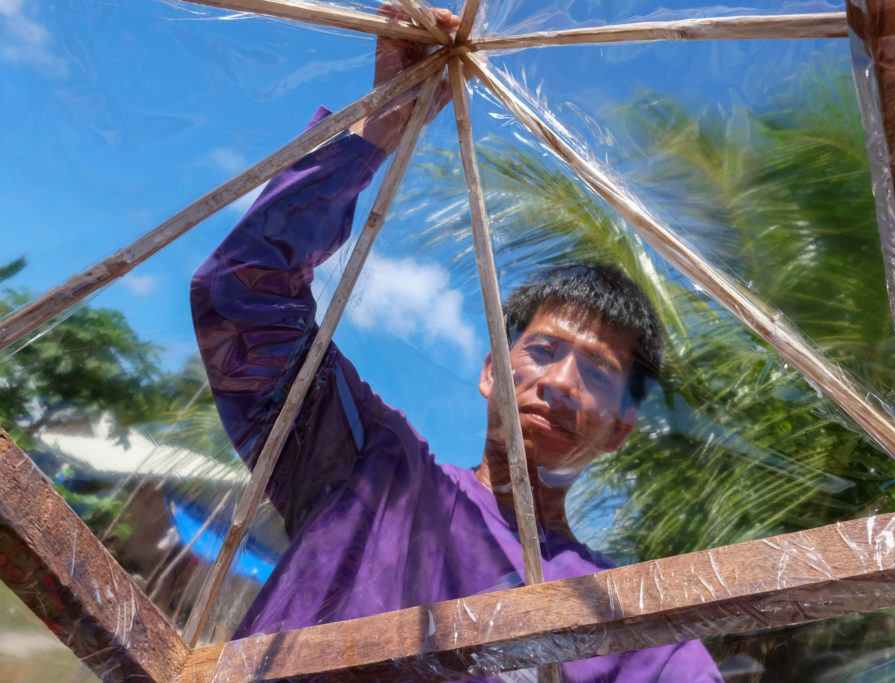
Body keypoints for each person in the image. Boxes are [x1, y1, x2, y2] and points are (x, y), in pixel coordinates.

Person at [190, 7, 721, 681]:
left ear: (621, 428)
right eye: (544, 349)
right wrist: (384, 120)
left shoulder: (640, 632)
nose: (559, 380)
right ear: (490, 373)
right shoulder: (374, 475)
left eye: (597, 368)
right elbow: (243, 297)